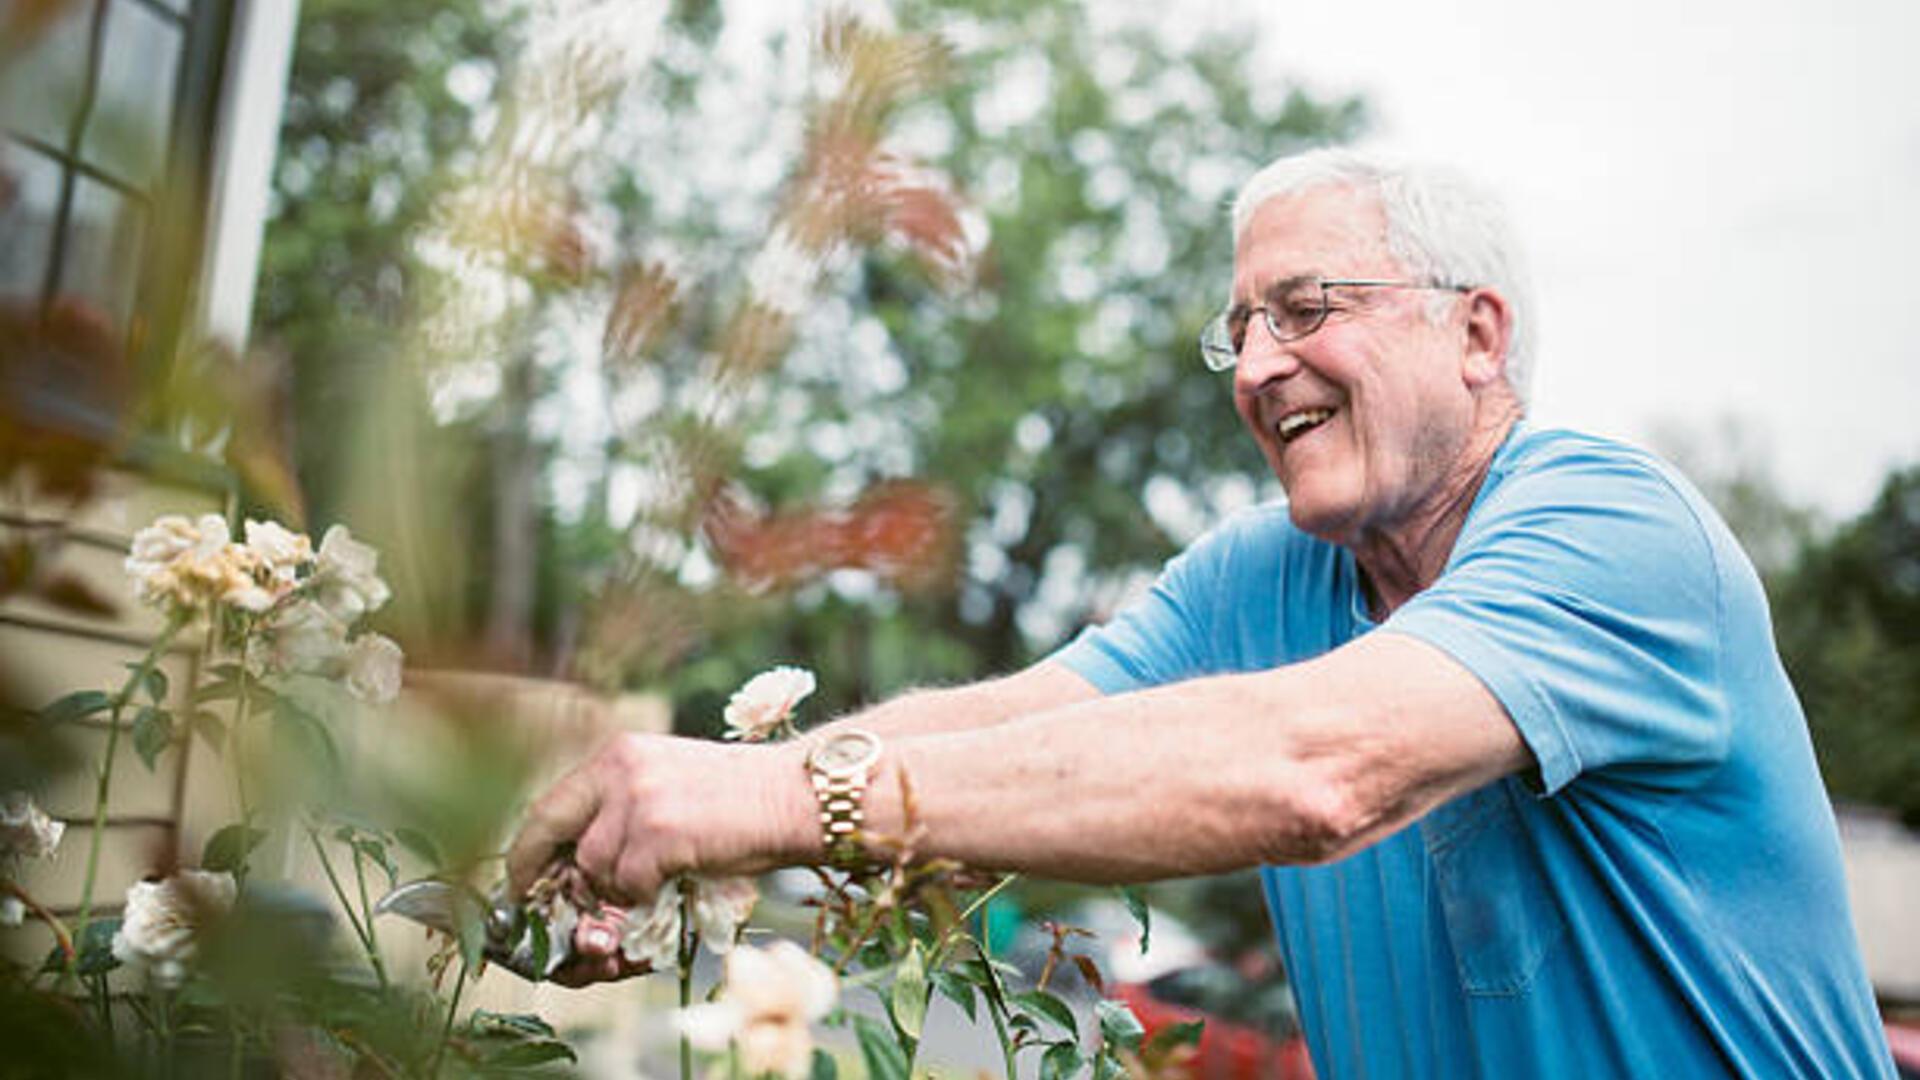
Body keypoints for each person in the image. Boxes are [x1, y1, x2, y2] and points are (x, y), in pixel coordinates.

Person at [506, 148, 1896, 1078]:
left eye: (1306, 309)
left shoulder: (1612, 531)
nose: (1258, 366)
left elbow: (1313, 770)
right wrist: (722, 806)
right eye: (1239, 327)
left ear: (1476, 336)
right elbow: (1021, 725)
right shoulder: (1265, 576)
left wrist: (775, 810)